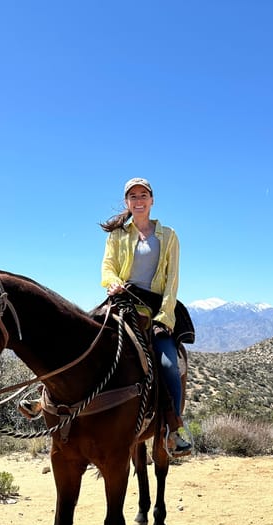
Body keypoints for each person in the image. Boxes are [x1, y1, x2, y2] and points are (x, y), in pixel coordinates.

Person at [100, 177, 192, 456]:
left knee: (167, 365)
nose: (139, 201)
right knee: (83, 337)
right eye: (133, 197)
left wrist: (165, 318)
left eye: (143, 195)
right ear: (127, 203)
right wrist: (113, 281)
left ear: (152, 201)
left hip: (154, 309)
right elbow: (107, 267)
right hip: (122, 302)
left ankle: (173, 429)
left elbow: (172, 279)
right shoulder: (117, 235)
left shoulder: (169, 235)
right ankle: (48, 401)